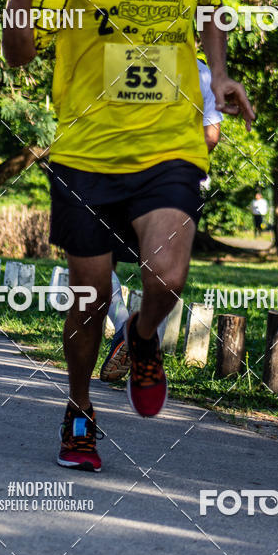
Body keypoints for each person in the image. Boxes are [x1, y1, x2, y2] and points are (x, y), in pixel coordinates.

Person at [3, 0, 254, 472]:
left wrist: (219, 76)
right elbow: (19, 54)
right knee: (87, 300)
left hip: (168, 146)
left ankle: (142, 337)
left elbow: (211, 14)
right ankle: (80, 411)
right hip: (86, 153)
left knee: (167, 277)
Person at [99, 57, 223, 383]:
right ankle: (139, 332)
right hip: (175, 187)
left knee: (100, 260)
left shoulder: (121, 57)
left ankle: (127, 329)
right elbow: (211, 136)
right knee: (161, 270)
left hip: (118, 175)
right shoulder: (201, 71)